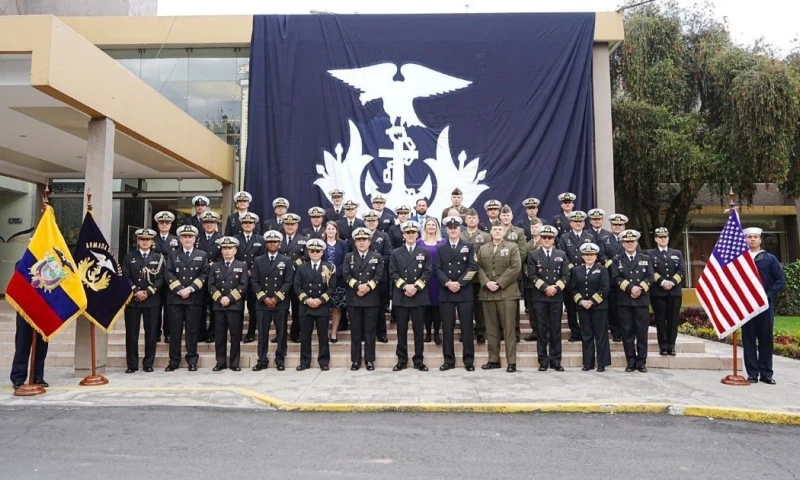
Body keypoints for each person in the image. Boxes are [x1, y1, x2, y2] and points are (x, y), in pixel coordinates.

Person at [742, 227, 786, 384]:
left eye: (755, 237)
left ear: (760, 239)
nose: (752, 239)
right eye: (749, 237)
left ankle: (766, 373)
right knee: (748, 339)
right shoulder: (740, 260)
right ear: (745, 240)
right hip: (747, 306)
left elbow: (780, 279)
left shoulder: (770, 259)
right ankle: (752, 373)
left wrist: (767, 295)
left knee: (766, 339)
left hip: (765, 306)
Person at [477, 221, 522, 372]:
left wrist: (499, 283)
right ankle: (493, 359)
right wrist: (486, 282)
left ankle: (511, 362)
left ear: (504, 232)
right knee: (491, 329)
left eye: (499, 229)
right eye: (494, 229)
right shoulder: (483, 248)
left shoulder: (512, 247)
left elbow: (515, 267)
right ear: (490, 231)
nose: (497, 231)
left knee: (509, 329)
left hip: (507, 293)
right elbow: (478, 267)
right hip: (488, 293)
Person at [164, 225, 209, 372]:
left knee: (192, 331)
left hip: (194, 298)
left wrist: (189, 289)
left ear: (194, 239)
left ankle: (192, 360)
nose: (187, 239)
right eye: (184, 237)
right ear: (180, 239)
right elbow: (168, 273)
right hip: (175, 299)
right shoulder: (172, 255)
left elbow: (204, 274)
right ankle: (174, 361)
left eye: (190, 237)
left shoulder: (202, 255)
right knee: (175, 331)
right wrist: (179, 290)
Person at [435, 216, 478, 371]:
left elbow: (473, 267)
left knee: (467, 327)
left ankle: (468, 361)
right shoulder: (441, 248)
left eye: (455, 228)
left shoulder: (468, 245)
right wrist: (448, 283)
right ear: (447, 230)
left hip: (464, 292)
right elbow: (437, 268)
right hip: (446, 292)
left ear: (460, 229)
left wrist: (459, 283)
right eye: (450, 228)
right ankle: (449, 360)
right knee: (447, 328)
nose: (453, 230)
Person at [390, 220, 432, 371]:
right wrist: (405, 286)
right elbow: (393, 273)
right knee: (401, 330)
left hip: (418, 295)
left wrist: (416, 287)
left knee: (418, 331)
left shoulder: (424, 252)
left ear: (417, 234)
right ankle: (402, 360)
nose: (410, 235)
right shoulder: (395, 253)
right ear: (403, 235)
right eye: (407, 232)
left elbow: (428, 272)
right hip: (402, 296)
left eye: (413, 232)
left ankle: (418, 360)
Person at [527, 225, 570, 371]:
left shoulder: (561, 254)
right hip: (540, 297)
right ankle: (543, 361)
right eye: (544, 237)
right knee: (541, 329)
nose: (546, 240)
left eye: (549, 237)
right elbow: (531, 275)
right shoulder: (533, 254)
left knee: (555, 330)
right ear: (540, 238)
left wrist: (555, 288)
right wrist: (546, 288)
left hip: (556, 297)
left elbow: (566, 275)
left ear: (553, 239)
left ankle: (556, 360)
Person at [251, 230, 295, 371]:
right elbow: (255, 281)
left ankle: (280, 359)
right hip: (263, 303)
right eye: (269, 242)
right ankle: (262, 360)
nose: (272, 244)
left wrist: (276, 298)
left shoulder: (286, 260)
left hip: (280, 303)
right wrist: (264, 298)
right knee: (262, 334)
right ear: (266, 244)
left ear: (279, 244)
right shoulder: (258, 260)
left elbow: (289, 281)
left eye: (275, 242)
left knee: (281, 333)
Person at [121, 228, 164, 373]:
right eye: (142, 239)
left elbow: (160, 278)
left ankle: (148, 364)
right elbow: (125, 276)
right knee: (131, 334)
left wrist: (148, 292)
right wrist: (136, 291)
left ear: (152, 242)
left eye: (147, 240)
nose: (144, 242)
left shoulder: (158, 258)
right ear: (138, 241)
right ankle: (132, 365)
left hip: (152, 300)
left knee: (151, 334)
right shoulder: (129, 256)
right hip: (133, 300)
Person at [612, 229, 653, 373]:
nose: (630, 244)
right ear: (623, 243)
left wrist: (639, 289)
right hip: (625, 301)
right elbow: (616, 277)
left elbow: (650, 276)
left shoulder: (645, 258)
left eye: (632, 241)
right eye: (627, 241)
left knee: (641, 333)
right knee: (627, 333)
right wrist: (630, 288)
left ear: (636, 242)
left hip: (641, 301)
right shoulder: (617, 260)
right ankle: (630, 361)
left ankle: (641, 362)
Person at [344, 227, 384, 370]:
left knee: (370, 331)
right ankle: (355, 360)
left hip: (371, 299)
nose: (362, 242)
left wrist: (367, 287)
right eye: (359, 240)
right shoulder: (349, 257)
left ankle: (369, 360)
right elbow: (346, 275)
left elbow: (379, 276)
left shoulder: (377, 257)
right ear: (355, 242)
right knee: (355, 332)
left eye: (364, 240)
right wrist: (358, 287)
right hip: (354, 299)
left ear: (369, 241)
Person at [294, 238, 337, 371]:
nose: (314, 253)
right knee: (305, 336)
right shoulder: (301, 267)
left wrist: (320, 300)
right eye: (312, 251)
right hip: (305, 306)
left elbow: (331, 287)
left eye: (317, 251)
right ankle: (305, 362)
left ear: (322, 252)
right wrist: (307, 299)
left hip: (321, 306)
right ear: (308, 252)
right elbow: (297, 286)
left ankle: (324, 361)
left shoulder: (329, 267)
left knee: (323, 336)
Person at [208, 236, 249, 371]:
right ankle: (220, 362)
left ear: (235, 250)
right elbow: (211, 285)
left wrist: (229, 298)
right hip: (219, 305)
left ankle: (234, 362)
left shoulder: (241, 265)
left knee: (235, 336)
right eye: (224, 248)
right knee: (220, 336)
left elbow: (243, 285)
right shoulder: (215, 266)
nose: (227, 251)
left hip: (234, 306)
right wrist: (220, 298)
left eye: (229, 248)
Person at [558, 210, 600, 342]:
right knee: (571, 305)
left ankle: (587, 330)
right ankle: (575, 332)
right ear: (570, 223)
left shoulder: (589, 237)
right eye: (575, 221)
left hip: (586, 275)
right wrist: (574, 269)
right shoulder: (564, 238)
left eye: (580, 221)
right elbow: (563, 256)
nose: (577, 223)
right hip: (570, 276)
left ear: (584, 223)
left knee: (586, 303)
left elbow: (593, 256)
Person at [570, 242, 611, 372]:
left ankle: (601, 363)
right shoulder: (577, 270)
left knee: (600, 335)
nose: (589, 257)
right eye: (586, 255)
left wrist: (591, 301)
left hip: (599, 307)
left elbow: (605, 289)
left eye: (591, 254)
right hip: (583, 308)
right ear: (582, 256)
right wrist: (581, 301)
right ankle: (588, 363)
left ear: (596, 256)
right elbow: (574, 289)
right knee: (586, 335)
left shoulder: (602, 270)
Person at [647, 227, 685, 356]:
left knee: (673, 320)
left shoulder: (677, 253)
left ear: (668, 238)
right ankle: (663, 346)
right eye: (660, 237)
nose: (663, 239)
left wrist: (672, 282)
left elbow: (681, 271)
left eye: (665, 237)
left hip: (674, 292)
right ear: (656, 239)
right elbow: (650, 271)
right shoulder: (649, 254)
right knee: (660, 319)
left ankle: (671, 345)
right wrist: (662, 282)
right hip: (658, 292)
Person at [363, 211, 392, 343]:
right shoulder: (360, 236)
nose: (371, 222)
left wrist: (374, 263)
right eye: (368, 220)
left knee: (379, 308)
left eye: (373, 220)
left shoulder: (384, 236)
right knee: (365, 308)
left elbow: (388, 255)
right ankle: (366, 333)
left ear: (377, 222)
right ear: (365, 222)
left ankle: (381, 333)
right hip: (363, 278)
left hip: (380, 278)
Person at [233, 212, 262, 344]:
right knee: (237, 307)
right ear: (241, 224)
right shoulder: (235, 239)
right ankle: (237, 333)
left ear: (254, 224)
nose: (248, 225)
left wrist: (253, 271)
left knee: (252, 307)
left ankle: (251, 333)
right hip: (237, 278)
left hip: (253, 278)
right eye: (245, 222)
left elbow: (262, 259)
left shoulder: (260, 240)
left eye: (250, 223)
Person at [499, 204, 527, 343]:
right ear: (500, 216)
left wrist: (510, 268)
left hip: (514, 275)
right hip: (496, 275)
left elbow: (522, 252)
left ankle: (515, 332)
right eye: (503, 215)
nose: (505, 217)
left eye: (508, 215)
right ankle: (500, 332)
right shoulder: (495, 230)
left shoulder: (519, 232)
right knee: (497, 304)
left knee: (513, 306)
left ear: (512, 216)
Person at [461, 208, 488, 344]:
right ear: (465, 220)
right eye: (469, 218)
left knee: (479, 306)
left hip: (479, 276)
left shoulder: (485, 236)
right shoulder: (460, 235)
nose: (471, 220)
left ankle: (480, 332)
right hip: (464, 276)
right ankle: (466, 331)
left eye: (474, 217)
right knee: (465, 306)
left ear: (478, 220)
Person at [279, 213, 308, 343]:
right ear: (283, 225)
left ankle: (295, 333)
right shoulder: (277, 239)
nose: (289, 226)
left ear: (297, 225)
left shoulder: (304, 240)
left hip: (297, 278)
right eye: (287, 224)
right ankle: (281, 333)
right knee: (282, 309)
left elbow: (307, 257)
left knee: (297, 308)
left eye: (292, 224)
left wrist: (292, 264)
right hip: (281, 279)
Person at [417, 217, 446, 345]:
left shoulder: (443, 242)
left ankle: (436, 334)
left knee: (437, 307)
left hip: (438, 278)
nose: (431, 227)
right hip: (424, 278)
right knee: (426, 307)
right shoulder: (419, 242)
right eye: (428, 224)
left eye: (433, 225)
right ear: (424, 227)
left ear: (437, 227)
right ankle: (427, 333)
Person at [153, 210, 179, 343]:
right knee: (156, 307)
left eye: (167, 222)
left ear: (170, 225)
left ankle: (168, 333)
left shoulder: (176, 240)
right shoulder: (152, 239)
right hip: (155, 278)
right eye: (161, 222)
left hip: (170, 279)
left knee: (169, 308)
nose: (164, 224)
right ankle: (156, 333)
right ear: (158, 224)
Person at [196, 210, 222, 343]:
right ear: (202, 224)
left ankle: (212, 333)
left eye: (211, 222)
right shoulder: (197, 238)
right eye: (206, 222)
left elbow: (222, 257)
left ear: (215, 223)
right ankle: (200, 332)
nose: (209, 225)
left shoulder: (221, 238)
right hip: (198, 276)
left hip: (215, 277)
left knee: (213, 307)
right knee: (199, 306)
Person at [321, 221, 348, 343]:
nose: (331, 231)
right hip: (322, 281)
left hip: (338, 280)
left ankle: (333, 333)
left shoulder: (343, 244)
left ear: (336, 231)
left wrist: (335, 273)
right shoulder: (320, 244)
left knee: (337, 307)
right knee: (324, 307)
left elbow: (346, 260)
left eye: (333, 229)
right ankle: (324, 332)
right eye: (329, 228)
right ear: (325, 230)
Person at [603, 213, 629, 342]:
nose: (617, 227)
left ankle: (625, 331)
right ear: (611, 226)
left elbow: (638, 254)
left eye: (620, 225)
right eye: (615, 225)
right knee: (612, 308)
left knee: (624, 308)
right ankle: (615, 332)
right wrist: (612, 265)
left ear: (624, 226)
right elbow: (601, 255)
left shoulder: (630, 239)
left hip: (626, 279)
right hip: (610, 279)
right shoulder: (605, 239)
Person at [522, 217, 544, 340]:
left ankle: (544, 332)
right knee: (531, 309)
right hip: (530, 282)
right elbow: (523, 260)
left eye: (536, 226)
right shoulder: (527, 244)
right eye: (532, 227)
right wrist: (525, 268)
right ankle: (535, 331)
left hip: (543, 281)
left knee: (542, 309)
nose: (534, 229)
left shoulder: (546, 241)